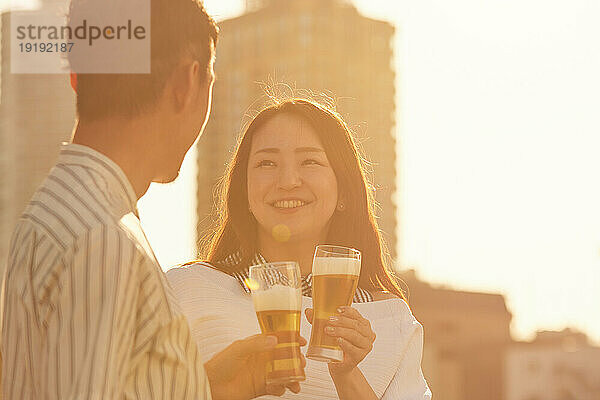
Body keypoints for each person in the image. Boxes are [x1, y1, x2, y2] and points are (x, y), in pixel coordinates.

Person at [0, 1, 301, 399]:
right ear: (187, 83)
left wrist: (204, 389)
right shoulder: (104, 241)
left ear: (76, 78)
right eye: (211, 81)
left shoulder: (53, 212)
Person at [168, 98, 432, 399]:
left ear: (343, 190)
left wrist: (347, 375)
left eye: (310, 161)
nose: (288, 181)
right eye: (267, 163)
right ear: (245, 191)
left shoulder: (391, 319)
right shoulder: (185, 290)